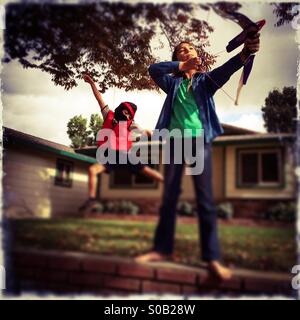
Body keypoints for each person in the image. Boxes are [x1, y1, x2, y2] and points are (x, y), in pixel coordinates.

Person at [135, 35, 260, 280]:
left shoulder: (206, 80)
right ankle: (162, 250)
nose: (186, 51)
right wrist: (181, 68)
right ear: (178, 58)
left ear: (197, 55)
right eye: (181, 50)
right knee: (169, 197)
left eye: (190, 48)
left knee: (204, 199)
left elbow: (230, 67)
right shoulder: (172, 84)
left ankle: (212, 258)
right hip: (173, 142)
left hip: (197, 141)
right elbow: (153, 69)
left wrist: (247, 51)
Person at [79, 74, 164, 212]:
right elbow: (99, 98)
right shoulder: (108, 114)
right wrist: (92, 83)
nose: (128, 116)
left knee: (147, 171)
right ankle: (91, 200)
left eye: (130, 115)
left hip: (124, 154)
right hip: (110, 155)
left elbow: (143, 130)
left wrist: (151, 133)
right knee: (92, 170)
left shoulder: (131, 123)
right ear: (122, 109)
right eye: (127, 112)